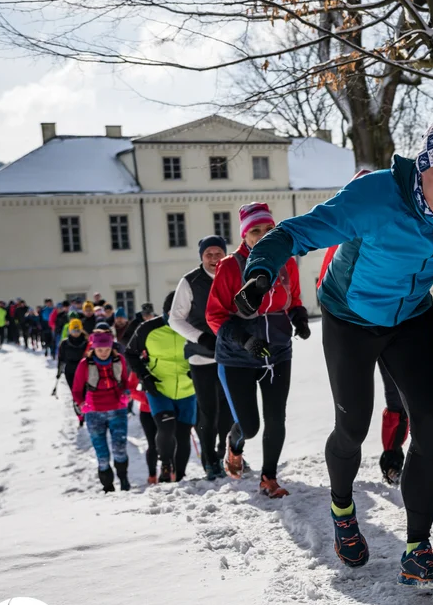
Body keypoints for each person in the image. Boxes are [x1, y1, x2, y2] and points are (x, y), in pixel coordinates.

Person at [237, 119, 433, 586]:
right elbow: (294, 232)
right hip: (349, 318)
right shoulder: (375, 197)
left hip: (411, 318)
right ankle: (343, 509)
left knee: (429, 428)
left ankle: (417, 550)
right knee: (353, 427)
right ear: (425, 167)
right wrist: (261, 272)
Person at [206, 203, 308, 497]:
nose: (263, 235)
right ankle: (234, 446)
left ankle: (269, 478)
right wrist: (245, 340)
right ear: (244, 236)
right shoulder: (230, 266)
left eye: (268, 229)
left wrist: (298, 317)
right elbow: (215, 315)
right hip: (238, 357)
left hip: (277, 353)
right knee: (249, 426)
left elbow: (293, 299)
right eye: (255, 231)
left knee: (277, 418)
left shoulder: (285, 261)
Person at [317, 242, 410, 486]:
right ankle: (343, 473)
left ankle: (392, 458)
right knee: (354, 411)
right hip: (354, 331)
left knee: (398, 397)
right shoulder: (346, 238)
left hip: (392, 326)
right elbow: (325, 285)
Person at [170, 235, 234, 480]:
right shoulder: (189, 281)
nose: (214, 259)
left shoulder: (234, 275)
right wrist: (200, 338)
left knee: (231, 410)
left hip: (231, 356)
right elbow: (175, 319)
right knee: (208, 412)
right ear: (201, 257)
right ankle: (209, 460)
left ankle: (230, 454)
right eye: (209, 255)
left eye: (218, 254)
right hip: (202, 357)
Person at [125, 292, 197, 483]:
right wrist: (145, 377)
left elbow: (209, 349)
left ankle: (180, 477)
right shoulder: (147, 328)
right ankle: (166, 465)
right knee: (165, 428)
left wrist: (198, 372)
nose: (174, 320)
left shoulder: (194, 325)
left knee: (183, 435)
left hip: (188, 389)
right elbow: (130, 353)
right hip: (158, 387)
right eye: (169, 315)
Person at [73, 329, 130, 492]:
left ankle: (124, 480)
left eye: (106, 349)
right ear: (93, 349)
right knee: (102, 455)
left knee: (120, 449)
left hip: (117, 410)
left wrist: (126, 394)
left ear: (112, 347)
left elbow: (125, 381)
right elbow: (77, 389)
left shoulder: (119, 361)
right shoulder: (85, 365)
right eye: (99, 350)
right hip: (94, 413)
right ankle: (108, 487)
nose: (103, 353)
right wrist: (82, 404)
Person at [126, 370, 160, 485]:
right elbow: (130, 387)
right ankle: (152, 475)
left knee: (170, 441)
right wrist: (146, 398)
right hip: (147, 411)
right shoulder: (141, 364)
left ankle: (170, 472)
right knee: (153, 444)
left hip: (169, 408)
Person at [57, 319, 88, 392]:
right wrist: (59, 371)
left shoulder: (86, 343)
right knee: (73, 389)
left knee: (83, 390)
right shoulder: (64, 343)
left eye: (78, 330)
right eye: (74, 330)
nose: (76, 333)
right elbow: (61, 358)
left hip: (83, 369)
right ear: (70, 330)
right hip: (69, 369)